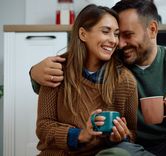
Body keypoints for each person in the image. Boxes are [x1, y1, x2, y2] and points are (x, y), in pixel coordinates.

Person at [30, 0, 166, 156]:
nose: (118, 43)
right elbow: (76, 74)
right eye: (113, 34)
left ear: (152, 29)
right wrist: (34, 73)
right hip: (130, 148)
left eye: (125, 34)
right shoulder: (112, 60)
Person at [34, 4, 152, 156]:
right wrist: (80, 135)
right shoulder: (56, 71)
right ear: (83, 34)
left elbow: (132, 133)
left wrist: (121, 136)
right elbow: (43, 128)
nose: (113, 40)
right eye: (105, 31)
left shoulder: (125, 80)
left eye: (116, 34)